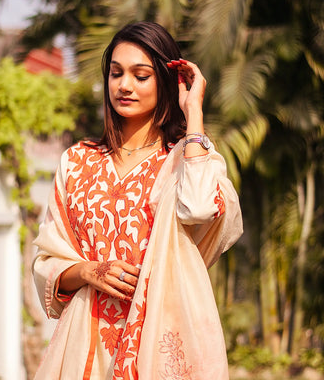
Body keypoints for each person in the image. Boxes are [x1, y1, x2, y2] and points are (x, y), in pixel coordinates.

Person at [32, 21, 243, 380]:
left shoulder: (186, 160)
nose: (124, 85)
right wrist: (88, 271)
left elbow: (199, 207)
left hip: (162, 342)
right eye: (116, 73)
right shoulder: (78, 161)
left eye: (140, 75)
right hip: (87, 344)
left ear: (164, 80)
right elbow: (47, 262)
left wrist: (194, 114)